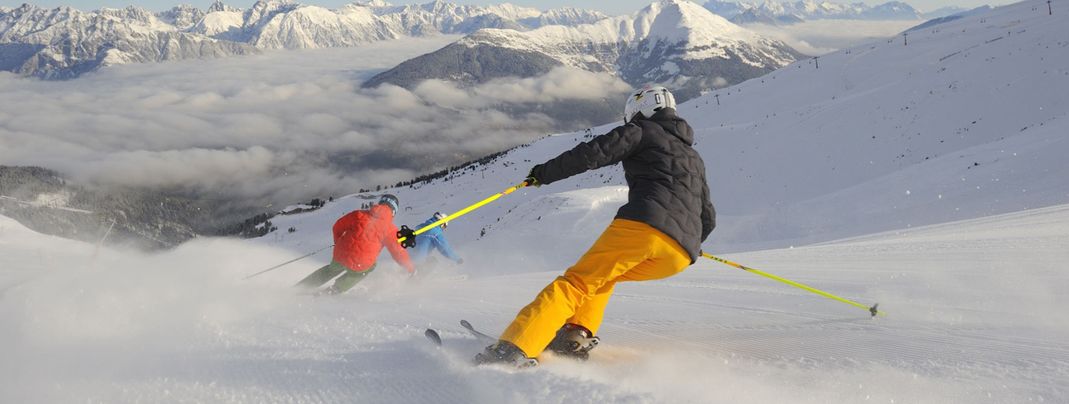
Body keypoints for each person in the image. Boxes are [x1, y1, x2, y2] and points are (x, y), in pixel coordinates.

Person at [475, 85, 716, 367]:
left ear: (641, 108)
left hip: (643, 228)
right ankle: (573, 335)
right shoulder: (693, 158)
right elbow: (708, 216)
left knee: (574, 284)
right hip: (678, 255)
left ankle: (513, 349)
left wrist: (543, 174)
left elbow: (592, 153)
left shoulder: (643, 131)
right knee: (604, 277)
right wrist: (691, 242)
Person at [295, 194, 416, 295]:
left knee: (330, 270)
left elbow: (337, 226)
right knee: (367, 269)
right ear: (393, 212)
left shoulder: (358, 214)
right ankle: (336, 289)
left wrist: (337, 242)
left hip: (340, 254)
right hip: (361, 263)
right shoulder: (390, 230)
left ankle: (302, 287)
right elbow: (398, 253)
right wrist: (410, 269)